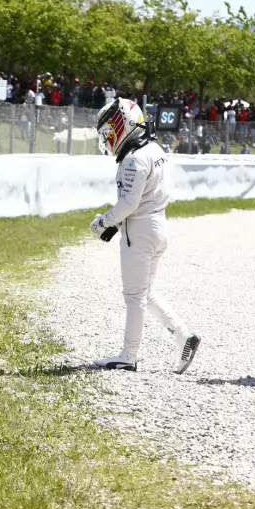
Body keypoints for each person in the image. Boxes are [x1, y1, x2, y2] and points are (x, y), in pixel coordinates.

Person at [89, 98, 201, 373]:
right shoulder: (154, 149)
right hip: (157, 226)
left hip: (139, 232)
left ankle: (128, 355)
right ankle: (184, 337)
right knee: (145, 292)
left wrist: (103, 221)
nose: (108, 140)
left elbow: (129, 204)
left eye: (109, 133)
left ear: (122, 125)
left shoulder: (134, 159)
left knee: (134, 296)